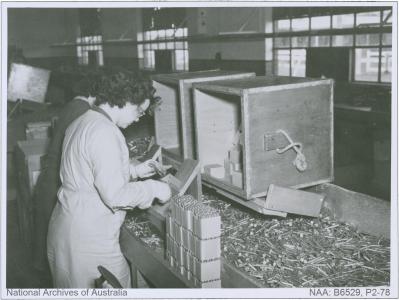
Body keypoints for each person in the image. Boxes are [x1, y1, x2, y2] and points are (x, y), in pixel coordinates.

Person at [47, 71, 171, 288]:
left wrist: (134, 172)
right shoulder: (105, 132)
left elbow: (86, 174)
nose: (139, 118)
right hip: (89, 239)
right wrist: (155, 188)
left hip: (65, 226)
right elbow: (115, 196)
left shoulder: (83, 121)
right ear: (123, 100)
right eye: (139, 110)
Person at [32, 69, 100, 282]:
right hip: (55, 181)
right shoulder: (82, 110)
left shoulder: (72, 105)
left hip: (50, 177)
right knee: (55, 257)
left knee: (49, 247)